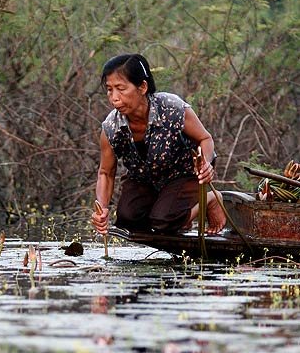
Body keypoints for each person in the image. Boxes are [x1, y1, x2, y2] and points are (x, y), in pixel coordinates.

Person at [91, 53, 226, 236]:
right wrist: (102, 208)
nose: (114, 97)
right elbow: (106, 173)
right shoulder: (111, 127)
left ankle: (210, 200)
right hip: (146, 179)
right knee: (128, 220)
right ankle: (175, 215)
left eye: (120, 89)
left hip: (183, 173)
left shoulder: (172, 108)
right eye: (109, 90)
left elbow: (205, 139)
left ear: (142, 87)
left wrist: (206, 164)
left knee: (164, 221)